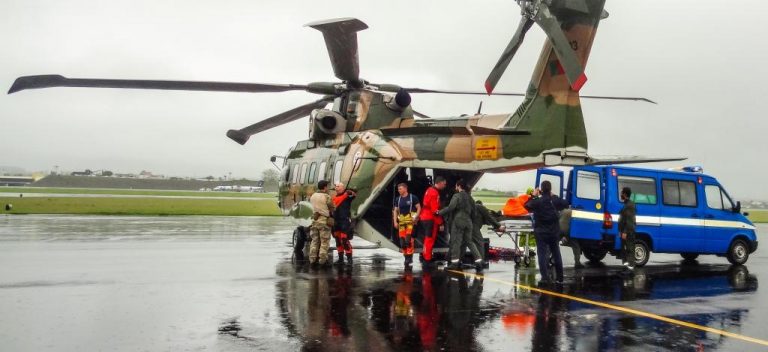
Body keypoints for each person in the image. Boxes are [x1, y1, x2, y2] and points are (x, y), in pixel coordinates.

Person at [524, 180, 569, 285]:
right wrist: (555, 196)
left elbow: (526, 206)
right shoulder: (554, 200)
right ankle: (560, 277)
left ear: (541, 189)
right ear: (550, 189)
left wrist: (533, 195)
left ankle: (545, 277)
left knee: (542, 254)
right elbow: (566, 204)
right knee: (556, 254)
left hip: (541, 232)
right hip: (554, 232)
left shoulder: (537, 201)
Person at [438, 179, 482, 271]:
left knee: (456, 242)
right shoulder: (470, 198)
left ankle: (454, 263)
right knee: (469, 242)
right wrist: (469, 220)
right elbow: (474, 212)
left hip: (458, 221)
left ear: (458, 186)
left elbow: (451, 207)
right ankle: (479, 261)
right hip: (469, 222)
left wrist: (439, 212)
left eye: (456, 186)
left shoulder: (456, 196)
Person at [419, 176, 447, 266]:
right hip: (429, 219)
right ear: (439, 183)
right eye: (444, 184)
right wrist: (441, 223)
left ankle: (425, 256)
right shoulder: (434, 193)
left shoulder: (429, 190)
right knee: (429, 239)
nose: (445, 186)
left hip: (424, 217)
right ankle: (427, 260)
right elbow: (435, 211)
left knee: (427, 239)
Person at [393, 183, 421, 268]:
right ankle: (405, 256)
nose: (399, 191)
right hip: (401, 222)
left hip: (410, 223)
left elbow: (419, 208)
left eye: (400, 189)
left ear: (405, 189)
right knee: (402, 242)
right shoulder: (398, 199)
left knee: (408, 240)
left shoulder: (413, 198)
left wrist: (416, 217)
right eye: (398, 189)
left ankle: (409, 257)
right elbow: (395, 211)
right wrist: (395, 222)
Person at [309, 180, 335, 266]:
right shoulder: (326, 196)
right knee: (324, 242)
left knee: (315, 241)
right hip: (324, 222)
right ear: (325, 187)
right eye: (327, 186)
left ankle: (312, 259)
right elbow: (332, 208)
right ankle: (322, 260)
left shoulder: (313, 196)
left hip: (314, 221)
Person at [471, 200, 505, 264]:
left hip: (464, 226)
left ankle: (452, 260)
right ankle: (480, 261)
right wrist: (498, 226)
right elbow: (489, 218)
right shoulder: (481, 208)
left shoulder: (473, 209)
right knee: (480, 243)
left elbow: (486, 220)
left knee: (463, 244)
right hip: (473, 228)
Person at [332, 182, 356, 265]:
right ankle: (340, 259)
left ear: (342, 188)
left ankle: (349, 259)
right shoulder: (334, 198)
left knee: (344, 239)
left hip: (344, 221)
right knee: (337, 240)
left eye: (338, 186)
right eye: (336, 186)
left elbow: (354, 194)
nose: (336, 187)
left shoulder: (347, 197)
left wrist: (349, 191)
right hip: (336, 221)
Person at [618, 187, 637, 272]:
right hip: (624, 231)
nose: (620, 194)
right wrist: (620, 231)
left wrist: (625, 232)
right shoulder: (626, 204)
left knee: (629, 249)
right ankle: (626, 268)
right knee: (625, 250)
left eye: (622, 193)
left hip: (628, 232)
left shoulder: (629, 205)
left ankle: (631, 269)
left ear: (625, 194)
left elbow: (629, 221)